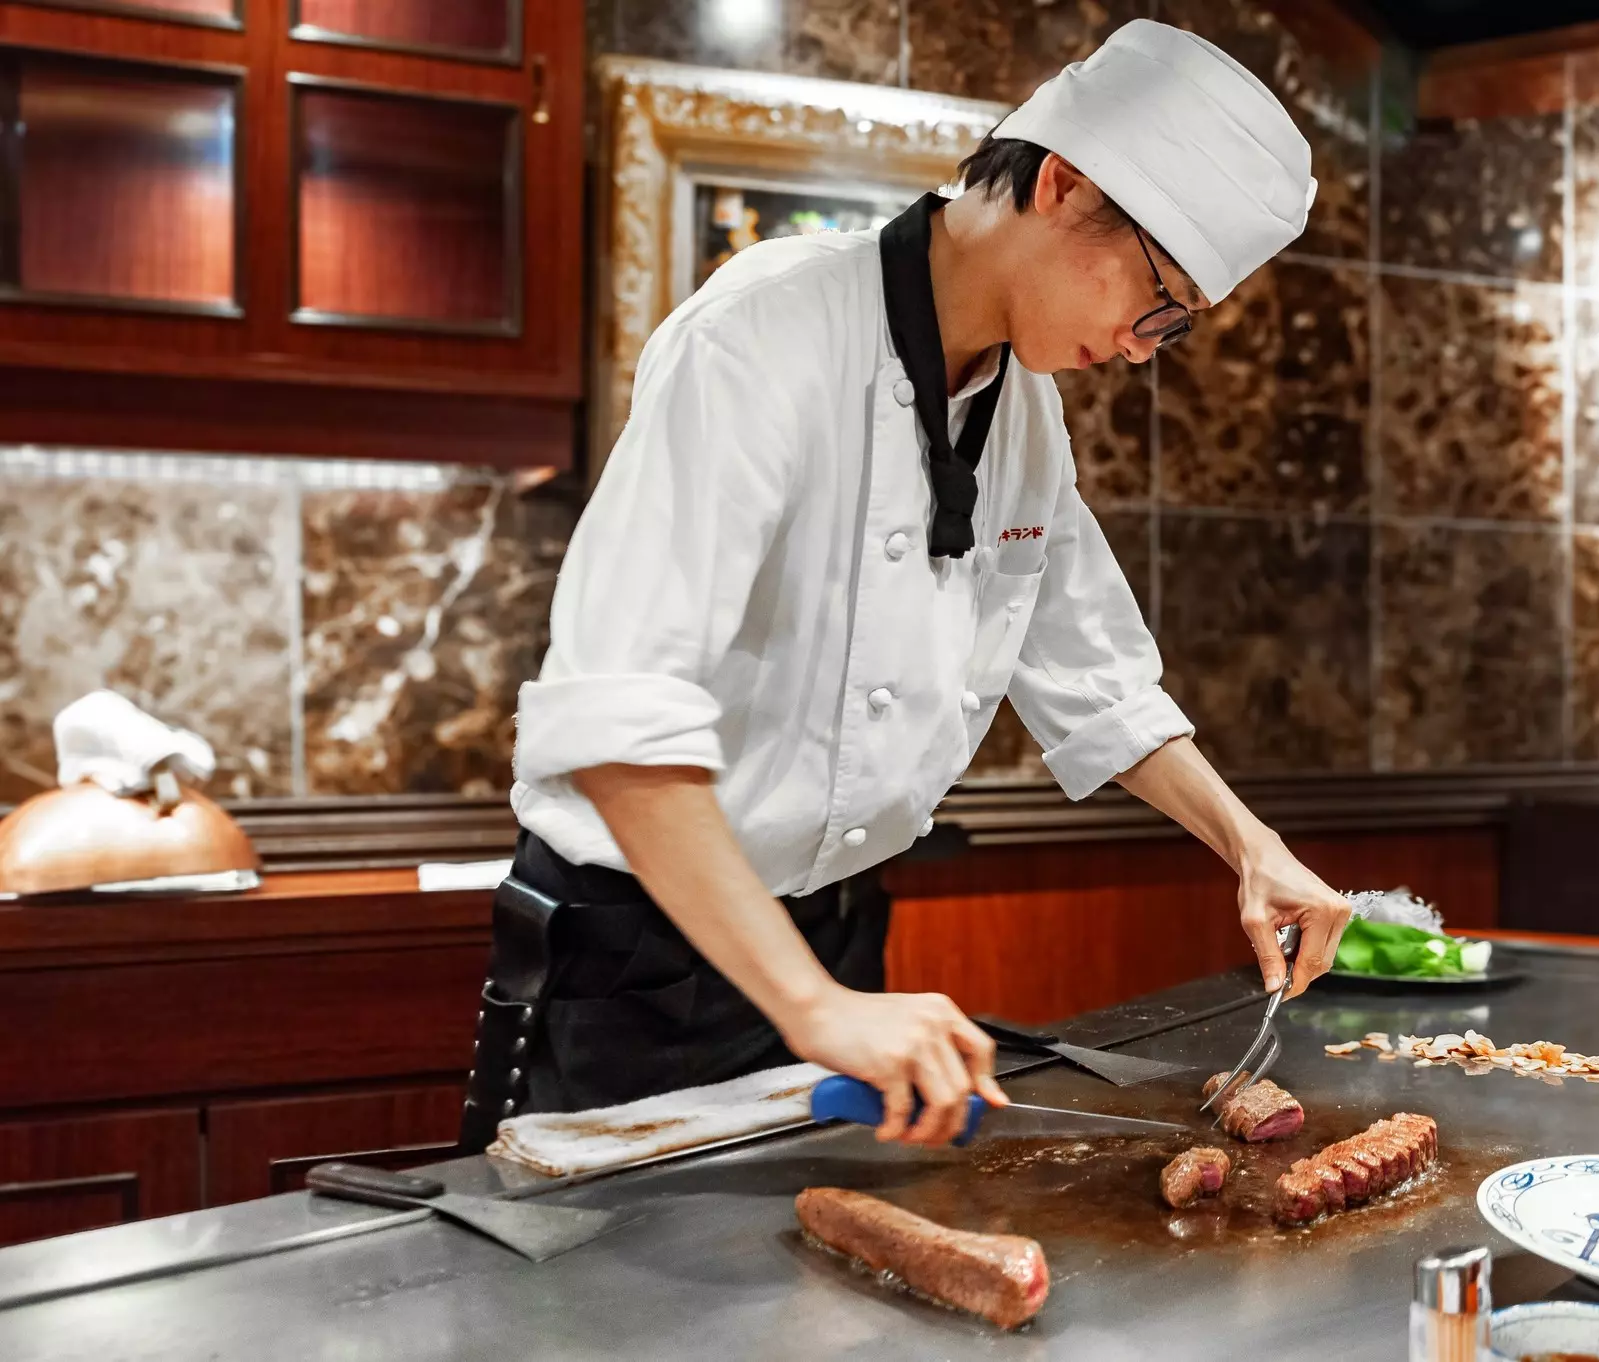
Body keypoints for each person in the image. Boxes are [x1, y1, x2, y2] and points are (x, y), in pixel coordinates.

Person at [456, 19, 1354, 1156]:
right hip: (640, 958)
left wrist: (1251, 845)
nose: (1140, 346)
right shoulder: (760, 338)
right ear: (1063, 185)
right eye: (1158, 296)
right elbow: (619, 723)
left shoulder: (1019, 410)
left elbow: (1094, 682)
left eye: (1171, 326)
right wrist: (812, 1008)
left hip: (837, 942)